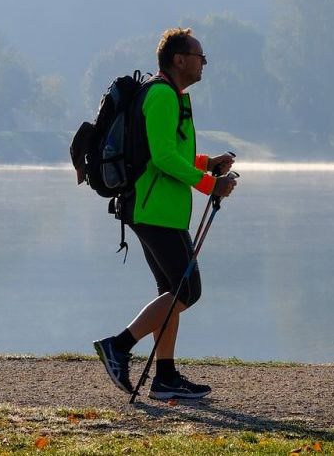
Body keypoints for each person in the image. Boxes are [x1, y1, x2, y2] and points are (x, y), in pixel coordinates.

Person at [93, 27, 236, 400]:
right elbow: (163, 157)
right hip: (153, 209)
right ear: (179, 59)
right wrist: (210, 185)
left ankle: (165, 377)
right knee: (187, 290)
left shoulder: (173, 95)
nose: (204, 62)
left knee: (171, 292)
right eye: (199, 55)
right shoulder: (161, 95)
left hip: (162, 210)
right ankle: (119, 346)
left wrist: (208, 164)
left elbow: (173, 153)